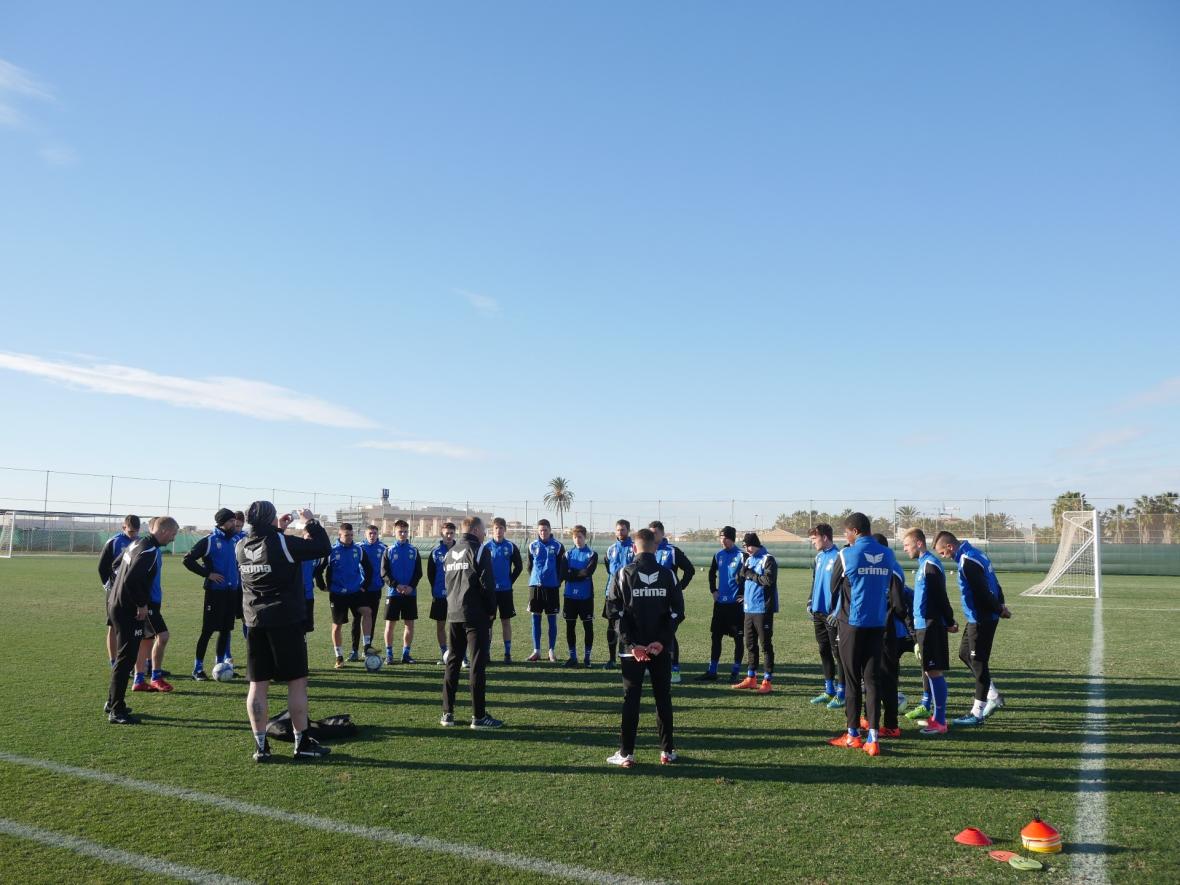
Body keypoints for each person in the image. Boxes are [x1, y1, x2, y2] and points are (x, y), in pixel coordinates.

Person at [237, 502, 332, 761]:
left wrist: (276, 529)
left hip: (255, 622)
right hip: (285, 620)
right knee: (297, 683)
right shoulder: (283, 543)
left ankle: (261, 747)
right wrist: (310, 522)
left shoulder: (240, 546)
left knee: (257, 686)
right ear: (270, 519)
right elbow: (323, 548)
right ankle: (301, 744)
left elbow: (265, 552)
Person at [605, 527, 684, 767]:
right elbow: (677, 613)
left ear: (633, 547)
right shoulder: (668, 574)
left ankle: (626, 754)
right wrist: (661, 641)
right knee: (663, 698)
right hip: (660, 649)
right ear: (656, 547)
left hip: (633, 651)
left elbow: (613, 613)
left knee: (631, 699)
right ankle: (667, 752)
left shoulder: (622, 573)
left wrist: (633, 644)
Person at [825, 513, 899, 757]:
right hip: (878, 624)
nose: (845, 537)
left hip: (852, 625)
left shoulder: (846, 554)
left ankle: (853, 735)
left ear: (854, 531)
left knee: (851, 680)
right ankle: (874, 738)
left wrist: (836, 612)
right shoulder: (888, 554)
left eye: (846, 532)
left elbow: (833, 589)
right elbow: (893, 582)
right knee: (873, 680)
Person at [104, 516, 178, 724]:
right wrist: (140, 604)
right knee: (126, 660)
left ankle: (112, 702)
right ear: (164, 532)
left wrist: (115, 592)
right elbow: (131, 579)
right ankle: (116, 710)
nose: (173, 539)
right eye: (173, 534)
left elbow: (116, 566)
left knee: (125, 658)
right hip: (127, 610)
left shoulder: (137, 543)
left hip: (116, 604)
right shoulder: (149, 551)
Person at [934, 530, 1010, 726]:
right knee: (964, 654)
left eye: (942, 552)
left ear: (950, 546)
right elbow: (996, 583)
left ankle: (977, 713)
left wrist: (999, 609)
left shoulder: (967, 560)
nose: (943, 557)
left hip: (982, 617)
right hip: (976, 616)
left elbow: (982, 591)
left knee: (978, 661)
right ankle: (993, 695)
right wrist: (1000, 604)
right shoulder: (976, 554)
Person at [440, 516, 503, 729]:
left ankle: (447, 713)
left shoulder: (449, 553)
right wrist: (491, 611)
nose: (485, 534)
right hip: (475, 615)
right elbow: (487, 583)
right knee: (476, 665)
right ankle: (479, 716)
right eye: (484, 530)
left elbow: (447, 582)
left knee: (453, 662)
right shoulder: (480, 550)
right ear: (476, 530)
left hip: (454, 613)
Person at [902, 528, 957, 735]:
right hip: (924, 625)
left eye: (907, 545)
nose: (905, 549)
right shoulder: (923, 565)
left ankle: (940, 721)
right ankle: (936, 717)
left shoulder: (930, 565)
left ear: (918, 543)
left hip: (931, 625)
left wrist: (950, 620)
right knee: (930, 671)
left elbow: (940, 597)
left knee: (934, 671)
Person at [183, 508, 242, 680]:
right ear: (223, 523)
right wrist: (208, 574)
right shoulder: (209, 541)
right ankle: (197, 669)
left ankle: (221, 665)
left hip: (232, 592)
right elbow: (187, 559)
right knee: (207, 631)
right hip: (215, 593)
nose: (234, 524)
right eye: (231, 521)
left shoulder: (236, 540)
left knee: (225, 630)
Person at [315, 522, 374, 669]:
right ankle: (339, 657)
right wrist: (323, 586)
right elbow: (318, 570)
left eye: (351, 535)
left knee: (367, 611)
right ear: (339, 535)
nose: (349, 538)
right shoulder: (331, 551)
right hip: (338, 594)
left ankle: (367, 646)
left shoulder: (358, 550)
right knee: (337, 626)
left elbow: (369, 568)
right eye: (346, 535)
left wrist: (364, 586)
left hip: (355, 592)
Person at [649, 521, 695, 683]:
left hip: (668, 601)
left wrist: (679, 588)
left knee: (669, 633)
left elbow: (690, 570)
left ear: (662, 533)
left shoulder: (672, 551)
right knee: (651, 632)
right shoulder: (648, 550)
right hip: (651, 600)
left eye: (655, 533)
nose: (653, 536)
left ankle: (675, 669)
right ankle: (652, 665)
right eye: (650, 533)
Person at [697, 526, 744, 682]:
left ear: (733, 538)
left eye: (726, 538)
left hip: (736, 605)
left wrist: (743, 594)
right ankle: (712, 671)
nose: (723, 541)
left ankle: (735, 671)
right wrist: (713, 590)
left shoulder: (742, 555)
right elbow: (711, 573)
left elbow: (748, 577)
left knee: (738, 638)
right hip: (720, 604)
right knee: (716, 637)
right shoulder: (718, 555)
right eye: (721, 538)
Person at [732, 532, 776, 694]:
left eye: (749, 546)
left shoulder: (768, 559)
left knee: (765, 645)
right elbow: (741, 579)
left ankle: (767, 680)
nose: (747, 549)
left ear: (756, 544)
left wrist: (751, 575)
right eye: (745, 546)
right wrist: (741, 573)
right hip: (748, 609)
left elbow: (768, 581)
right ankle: (751, 678)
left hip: (762, 609)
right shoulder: (749, 559)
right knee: (750, 644)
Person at [807, 524, 845, 707]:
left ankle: (842, 692)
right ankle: (829, 690)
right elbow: (815, 581)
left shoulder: (839, 557)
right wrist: (810, 601)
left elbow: (846, 588)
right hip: (818, 612)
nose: (812, 542)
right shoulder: (819, 557)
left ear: (824, 537)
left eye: (814, 538)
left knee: (839, 654)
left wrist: (837, 611)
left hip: (832, 614)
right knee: (823, 651)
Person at [98, 515, 140, 669]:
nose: (133, 535)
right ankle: (114, 662)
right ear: (123, 528)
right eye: (130, 532)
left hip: (133, 592)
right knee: (113, 626)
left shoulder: (139, 542)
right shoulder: (114, 542)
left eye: (136, 532)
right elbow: (102, 567)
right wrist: (108, 586)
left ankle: (135, 663)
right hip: (115, 592)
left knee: (134, 627)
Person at [381, 519, 423, 665]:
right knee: (390, 625)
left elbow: (418, 572)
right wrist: (396, 585)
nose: (403, 534)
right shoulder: (389, 550)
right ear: (395, 532)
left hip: (410, 594)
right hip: (393, 593)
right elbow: (384, 573)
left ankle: (406, 654)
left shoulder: (414, 551)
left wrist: (411, 586)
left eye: (405, 531)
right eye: (400, 531)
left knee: (409, 624)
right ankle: (389, 654)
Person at [526, 519, 567, 662]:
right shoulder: (532, 546)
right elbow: (529, 566)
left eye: (545, 530)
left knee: (552, 620)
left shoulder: (558, 546)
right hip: (535, 587)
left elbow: (562, 567)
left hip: (551, 588)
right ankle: (536, 650)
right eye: (541, 530)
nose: (543, 532)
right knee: (535, 619)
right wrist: (536, 578)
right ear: (538, 531)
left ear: (550, 530)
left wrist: (557, 581)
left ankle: (551, 650)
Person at [483, 517, 523, 661]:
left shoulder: (511, 547)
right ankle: (486, 653)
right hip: (491, 593)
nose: (498, 531)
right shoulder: (486, 547)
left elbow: (519, 566)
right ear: (492, 530)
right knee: (489, 622)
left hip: (506, 591)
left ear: (505, 530)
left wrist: (509, 581)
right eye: (496, 528)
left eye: (501, 528)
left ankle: (507, 653)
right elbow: (481, 569)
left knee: (506, 621)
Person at [562, 525, 598, 668]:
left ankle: (587, 658)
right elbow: (564, 574)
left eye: (580, 537)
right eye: (575, 537)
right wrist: (577, 573)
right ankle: (573, 657)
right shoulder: (568, 554)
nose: (578, 540)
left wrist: (573, 573)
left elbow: (587, 572)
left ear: (585, 537)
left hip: (586, 597)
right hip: (570, 597)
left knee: (587, 627)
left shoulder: (592, 554)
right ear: (573, 538)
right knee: (570, 627)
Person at [601, 519, 635, 670]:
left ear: (628, 530)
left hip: (629, 594)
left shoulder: (634, 548)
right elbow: (609, 568)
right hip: (612, 593)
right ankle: (611, 659)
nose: (620, 532)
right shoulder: (611, 549)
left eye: (623, 530)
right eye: (618, 530)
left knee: (629, 626)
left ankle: (628, 657)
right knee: (611, 626)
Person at [351, 525, 387, 660]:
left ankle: (367, 648)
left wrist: (381, 582)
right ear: (366, 534)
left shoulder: (383, 548)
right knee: (357, 618)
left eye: (375, 533)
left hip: (375, 589)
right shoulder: (359, 547)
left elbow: (386, 568)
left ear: (378, 534)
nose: (372, 536)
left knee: (371, 619)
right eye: (370, 533)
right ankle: (354, 650)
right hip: (359, 590)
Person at [426, 523, 457, 663]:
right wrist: (436, 589)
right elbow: (430, 574)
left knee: (458, 626)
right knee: (440, 625)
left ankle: (462, 656)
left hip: (457, 595)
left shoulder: (461, 550)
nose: (449, 536)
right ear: (442, 534)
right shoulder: (435, 552)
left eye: (451, 533)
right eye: (446, 533)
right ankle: (445, 654)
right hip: (439, 595)